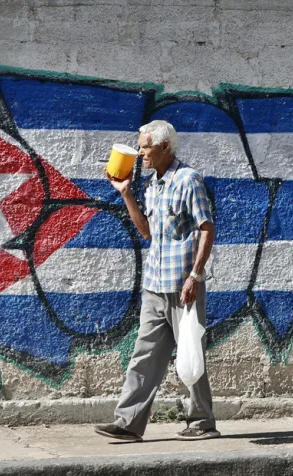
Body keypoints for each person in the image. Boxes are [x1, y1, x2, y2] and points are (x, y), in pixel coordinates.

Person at [94, 120, 219, 442]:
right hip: (154, 283)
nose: (140, 153)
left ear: (165, 147)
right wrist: (125, 194)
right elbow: (147, 232)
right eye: (139, 146)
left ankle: (202, 423)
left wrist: (195, 275)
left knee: (191, 355)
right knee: (143, 355)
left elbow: (207, 228)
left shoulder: (188, 180)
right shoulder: (152, 185)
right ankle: (128, 423)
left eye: (145, 146)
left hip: (183, 285)